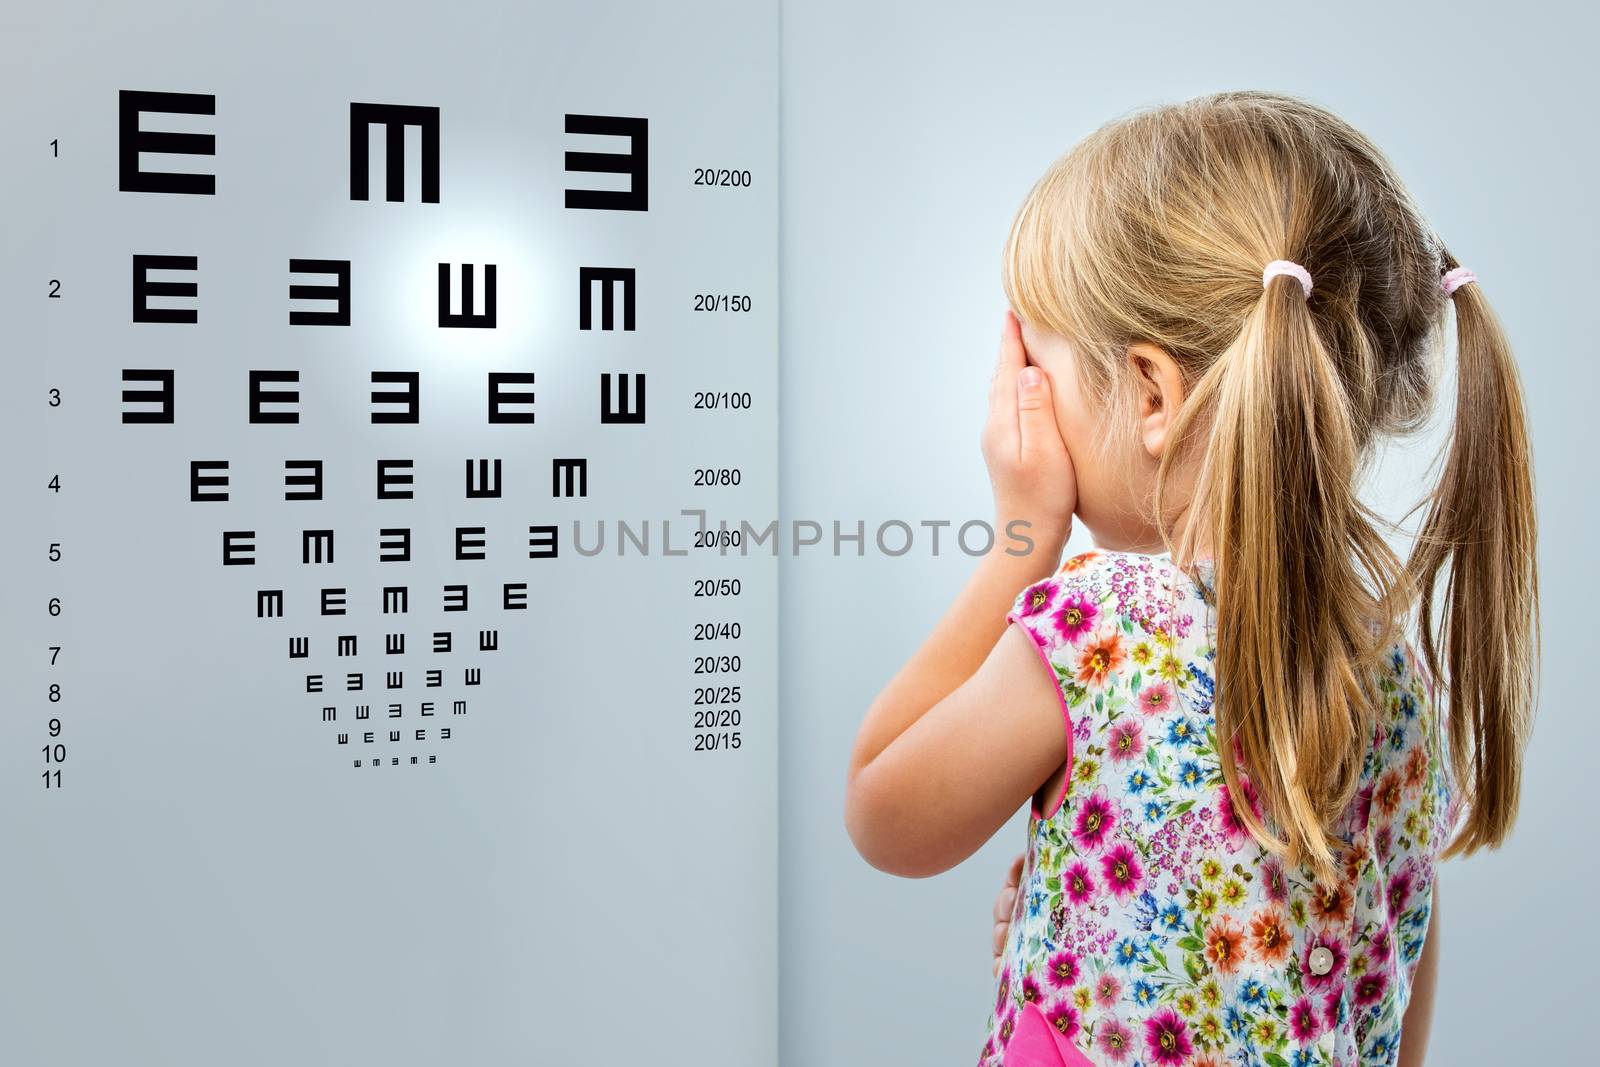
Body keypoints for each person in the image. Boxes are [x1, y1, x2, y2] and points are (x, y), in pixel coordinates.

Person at [843, 89, 1538, 1067]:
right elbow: (1386, 1021)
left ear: (1152, 393)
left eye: (1032, 366)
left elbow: (883, 812)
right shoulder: (1398, 685)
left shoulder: (1103, 624)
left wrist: (1023, 533)